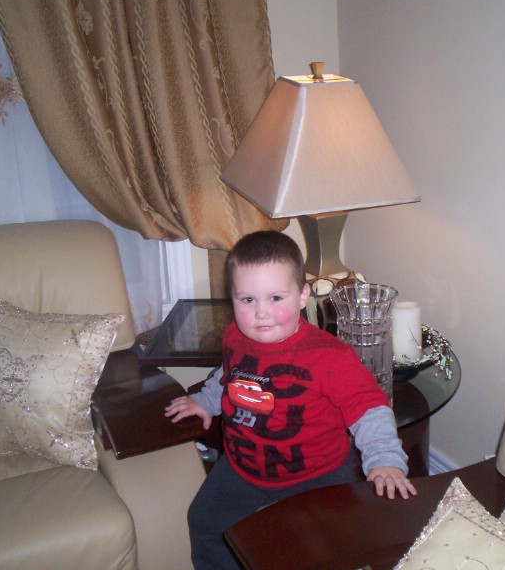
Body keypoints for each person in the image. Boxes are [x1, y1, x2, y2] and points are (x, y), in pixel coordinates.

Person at [165, 230, 416, 569]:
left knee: (321, 548)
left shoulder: (330, 357)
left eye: (275, 298)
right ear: (232, 298)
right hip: (244, 466)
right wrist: (205, 401)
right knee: (204, 522)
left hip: (318, 474)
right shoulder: (235, 336)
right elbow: (227, 374)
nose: (261, 313)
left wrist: (384, 459)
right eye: (247, 300)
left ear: (302, 296)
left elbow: (369, 408)